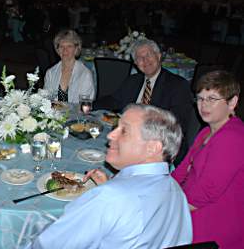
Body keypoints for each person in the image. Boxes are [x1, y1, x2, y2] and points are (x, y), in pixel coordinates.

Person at [27, 104, 192, 249]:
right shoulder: (176, 191)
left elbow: (48, 244)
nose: (111, 135)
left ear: (152, 148)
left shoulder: (110, 198)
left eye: (124, 131)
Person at [172, 71, 244, 249]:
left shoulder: (232, 137)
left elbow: (204, 194)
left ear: (232, 102)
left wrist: (166, 207)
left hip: (215, 223)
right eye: (200, 98)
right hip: (192, 206)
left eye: (212, 99)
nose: (204, 105)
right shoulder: (207, 131)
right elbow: (181, 170)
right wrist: (158, 188)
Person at [94, 39, 194, 164]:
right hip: (129, 139)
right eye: (139, 58)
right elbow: (113, 100)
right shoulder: (133, 81)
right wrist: (88, 105)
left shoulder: (177, 85)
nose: (145, 60)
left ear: (158, 56)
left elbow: (177, 124)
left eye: (148, 55)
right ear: (136, 63)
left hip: (158, 147)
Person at [43, 29, 95, 103]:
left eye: (69, 46)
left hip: (77, 114)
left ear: (76, 49)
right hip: (54, 113)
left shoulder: (85, 74)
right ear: (57, 50)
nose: (65, 50)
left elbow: (85, 105)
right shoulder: (51, 73)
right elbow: (46, 100)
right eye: (61, 46)